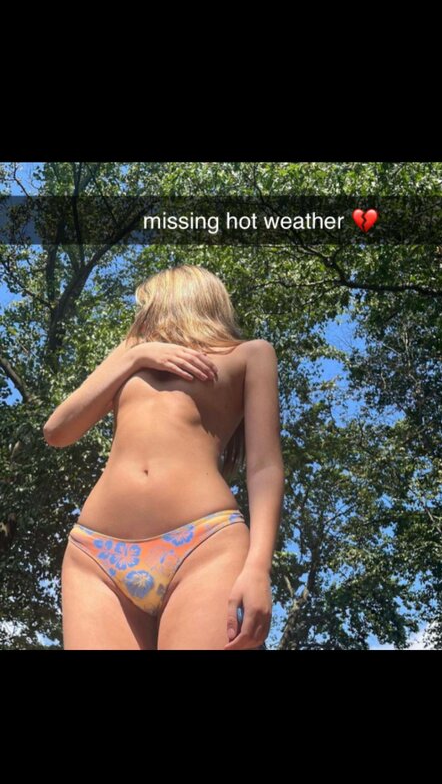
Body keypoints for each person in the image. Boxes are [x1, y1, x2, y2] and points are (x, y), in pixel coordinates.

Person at [43, 265, 285, 651]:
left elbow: (264, 467)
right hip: (95, 557)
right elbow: (57, 431)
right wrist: (135, 356)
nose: (142, 314)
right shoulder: (130, 354)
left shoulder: (250, 355)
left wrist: (258, 567)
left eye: (148, 304)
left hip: (204, 546)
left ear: (179, 298)